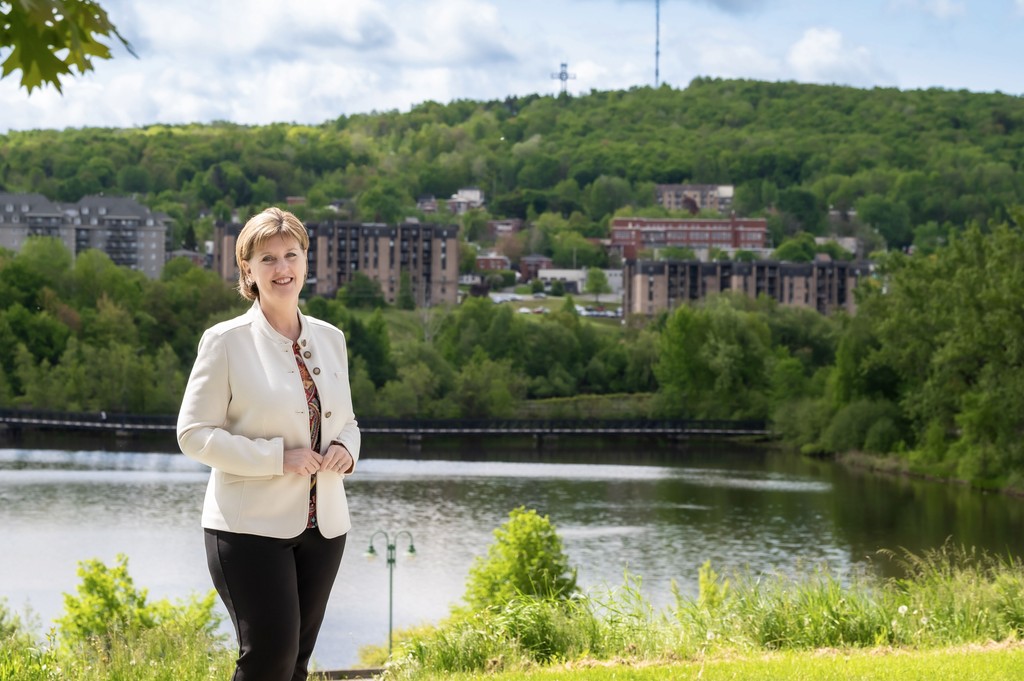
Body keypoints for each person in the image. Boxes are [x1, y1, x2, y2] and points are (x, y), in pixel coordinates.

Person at [177, 207, 360, 681]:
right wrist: (277, 458)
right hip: (248, 528)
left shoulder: (331, 338)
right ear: (248, 271)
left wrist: (346, 449)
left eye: (291, 255)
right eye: (268, 259)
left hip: (325, 528)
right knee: (268, 661)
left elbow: (347, 421)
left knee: (295, 665)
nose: (282, 269)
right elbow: (193, 434)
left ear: (306, 260)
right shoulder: (225, 342)